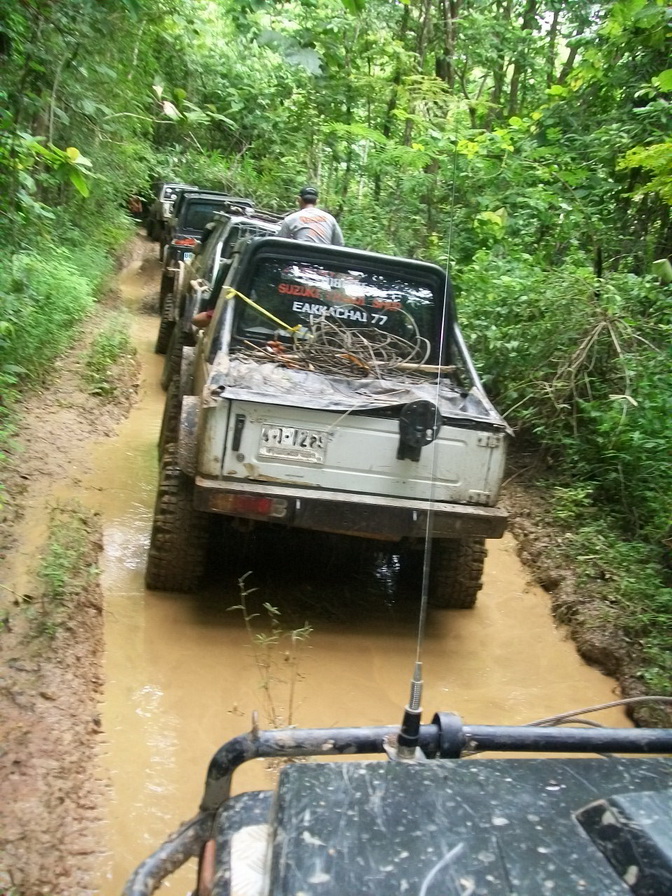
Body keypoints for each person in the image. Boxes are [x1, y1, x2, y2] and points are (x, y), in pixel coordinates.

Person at [277, 186, 344, 246]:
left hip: (300, 255)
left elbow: (279, 244)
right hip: (324, 255)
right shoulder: (330, 218)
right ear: (317, 201)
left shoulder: (290, 219)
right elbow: (339, 243)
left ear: (299, 199)